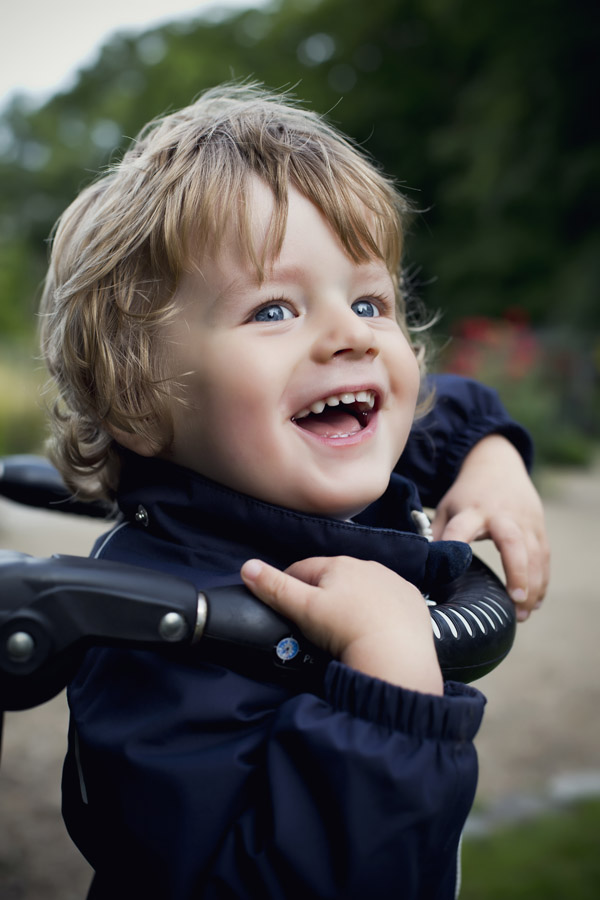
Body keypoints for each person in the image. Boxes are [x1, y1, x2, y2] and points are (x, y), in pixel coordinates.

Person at [39, 83, 548, 899]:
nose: (351, 334)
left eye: (369, 300)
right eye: (274, 309)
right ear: (141, 397)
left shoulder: (301, 456)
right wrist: (385, 675)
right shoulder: (155, 631)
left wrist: (491, 457)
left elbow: (443, 407)